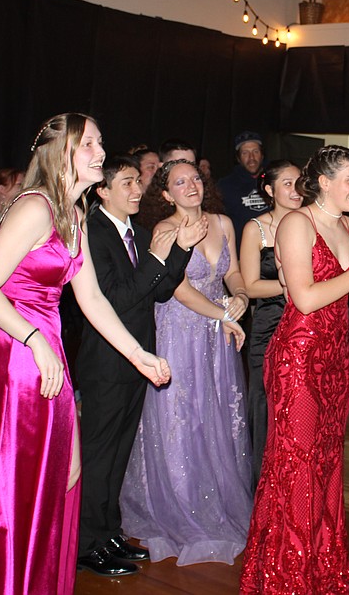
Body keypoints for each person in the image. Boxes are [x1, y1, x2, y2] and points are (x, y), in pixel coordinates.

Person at [0, 113, 171, 595]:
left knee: (53, 481)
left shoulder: (75, 215)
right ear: (63, 153)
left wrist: (138, 355)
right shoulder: (33, 208)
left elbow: (92, 299)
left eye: (100, 141)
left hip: (47, 358)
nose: (101, 151)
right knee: (9, 489)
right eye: (90, 143)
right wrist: (34, 341)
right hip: (13, 359)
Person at [240, 145, 349, 595]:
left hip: (336, 359)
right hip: (298, 358)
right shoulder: (297, 223)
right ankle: (286, 571)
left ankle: (319, 563)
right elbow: (305, 298)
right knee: (296, 464)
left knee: (327, 464)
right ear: (325, 182)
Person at [120, 159, 253, 565]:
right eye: (179, 182)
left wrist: (241, 297)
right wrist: (225, 315)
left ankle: (217, 498)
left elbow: (232, 274)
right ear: (165, 194)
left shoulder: (224, 223)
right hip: (179, 333)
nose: (191, 186)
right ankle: (179, 504)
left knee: (217, 415)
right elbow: (177, 289)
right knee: (181, 417)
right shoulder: (164, 231)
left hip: (217, 335)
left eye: (195, 178)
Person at [76, 154, 203, 577]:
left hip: (137, 355)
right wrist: (158, 256)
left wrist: (181, 250)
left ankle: (109, 532)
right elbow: (116, 297)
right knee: (98, 453)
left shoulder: (139, 231)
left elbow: (160, 292)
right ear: (103, 189)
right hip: (106, 361)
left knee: (119, 452)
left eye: (137, 182)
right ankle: (85, 543)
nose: (137, 190)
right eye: (128, 183)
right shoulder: (93, 233)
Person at [239, 159, 303, 487]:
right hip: (268, 325)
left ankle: (294, 483)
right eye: (288, 184)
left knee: (300, 408)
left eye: (300, 183)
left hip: (305, 325)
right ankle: (262, 487)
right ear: (270, 190)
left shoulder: (310, 223)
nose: (296, 190)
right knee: (265, 405)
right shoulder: (256, 228)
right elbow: (250, 286)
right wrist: (294, 285)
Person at [219, 130, 269, 235]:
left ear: (262, 155)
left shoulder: (274, 180)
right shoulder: (225, 186)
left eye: (255, 151)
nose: (251, 158)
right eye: (245, 153)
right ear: (238, 158)